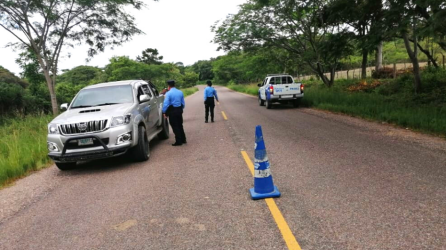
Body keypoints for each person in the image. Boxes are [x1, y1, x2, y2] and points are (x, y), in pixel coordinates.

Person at [162, 80, 186, 146]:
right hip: (179, 110)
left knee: (175, 126)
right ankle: (183, 139)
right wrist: (181, 109)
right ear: (174, 85)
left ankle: (178, 141)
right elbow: (183, 103)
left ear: (168, 86)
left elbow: (166, 104)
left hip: (172, 111)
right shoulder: (180, 92)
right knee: (180, 125)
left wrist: (164, 111)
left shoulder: (168, 93)